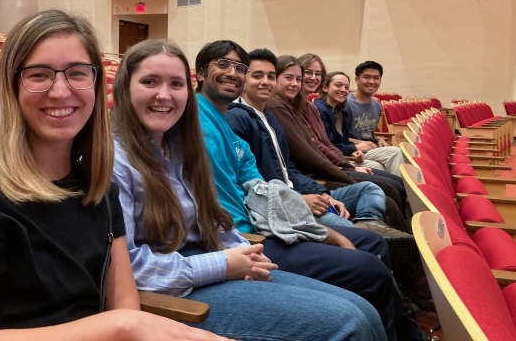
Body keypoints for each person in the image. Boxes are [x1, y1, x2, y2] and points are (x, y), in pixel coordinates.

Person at [0, 11, 225, 341]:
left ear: (96, 83)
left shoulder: (98, 186)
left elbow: (125, 305)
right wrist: (121, 327)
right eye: (39, 75)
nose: (60, 91)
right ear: (11, 85)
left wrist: (127, 324)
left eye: (77, 73)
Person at [111, 38, 387, 341]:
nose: (164, 94)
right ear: (125, 88)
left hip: (216, 256)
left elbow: (219, 213)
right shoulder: (115, 160)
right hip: (174, 289)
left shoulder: (178, 147)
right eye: (150, 81)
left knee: (363, 310)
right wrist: (224, 263)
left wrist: (241, 249)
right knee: (350, 322)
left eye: (176, 84)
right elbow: (128, 269)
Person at [227, 48, 388, 230]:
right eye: (257, 76)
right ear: (243, 79)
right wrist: (300, 198)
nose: (266, 82)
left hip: (297, 191)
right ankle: (373, 237)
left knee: (370, 188)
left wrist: (323, 193)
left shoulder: (269, 117)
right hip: (279, 205)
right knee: (352, 229)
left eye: (270, 77)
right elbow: (251, 183)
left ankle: (371, 226)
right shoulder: (239, 118)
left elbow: (289, 168)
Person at [298, 54, 407, 212]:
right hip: (331, 164)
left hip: (345, 157)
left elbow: (329, 143)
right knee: (392, 166)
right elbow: (321, 146)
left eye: (345, 87)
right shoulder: (319, 109)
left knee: (390, 176)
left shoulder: (339, 109)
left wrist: (375, 139)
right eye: (338, 85)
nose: (343, 91)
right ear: (325, 87)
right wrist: (349, 159)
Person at [346, 60, 406, 177]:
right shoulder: (345, 103)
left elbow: (366, 132)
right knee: (395, 153)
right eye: (367, 77)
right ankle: (404, 192)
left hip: (370, 149)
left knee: (382, 166)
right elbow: (336, 137)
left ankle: (396, 192)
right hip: (353, 151)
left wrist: (378, 138)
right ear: (357, 80)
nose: (372, 82)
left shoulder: (376, 105)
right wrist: (361, 142)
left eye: (376, 78)